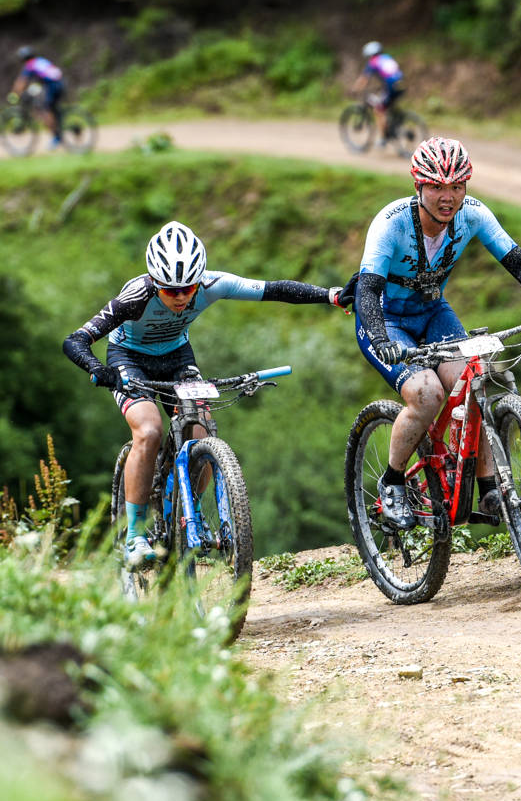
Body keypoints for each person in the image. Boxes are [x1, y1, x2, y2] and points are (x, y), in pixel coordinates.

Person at [63, 222, 345, 570]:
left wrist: (330, 295)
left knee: (202, 430)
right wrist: (99, 369)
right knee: (148, 430)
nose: (181, 297)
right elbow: (75, 341)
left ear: (200, 279)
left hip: (178, 357)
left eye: (188, 288)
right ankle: (134, 535)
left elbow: (273, 289)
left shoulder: (214, 283)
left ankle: (187, 513)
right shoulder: (135, 296)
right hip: (129, 359)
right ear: (155, 282)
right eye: (170, 290)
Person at [352, 137, 521, 530]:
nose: (448, 197)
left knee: (473, 381)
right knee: (427, 395)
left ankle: (489, 486)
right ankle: (392, 484)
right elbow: (367, 290)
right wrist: (382, 340)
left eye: (457, 186)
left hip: (433, 312)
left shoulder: (472, 215)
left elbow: (518, 261)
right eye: (437, 186)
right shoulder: (390, 224)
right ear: (418, 185)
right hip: (386, 320)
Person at [11, 45, 69, 149]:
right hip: (61, 83)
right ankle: (59, 128)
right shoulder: (40, 60)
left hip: (52, 85)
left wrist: (15, 94)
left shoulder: (30, 65)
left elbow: (22, 82)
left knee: (45, 110)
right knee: (53, 108)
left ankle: (57, 137)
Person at [351, 42, 405, 147]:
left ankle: (383, 138)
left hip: (391, 87)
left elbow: (364, 79)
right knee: (387, 104)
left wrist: (355, 89)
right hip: (401, 84)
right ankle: (393, 125)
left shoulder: (373, 62)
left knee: (378, 109)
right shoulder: (387, 57)